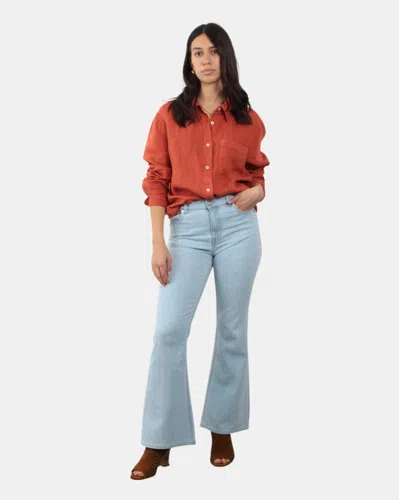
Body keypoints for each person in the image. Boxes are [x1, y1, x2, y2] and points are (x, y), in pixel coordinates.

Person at [131, 22, 270, 480]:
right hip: (186, 228)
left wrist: (259, 191)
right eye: (197, 52)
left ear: (225, 58)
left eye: (213, 51)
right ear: (189, 62)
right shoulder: (169, 115)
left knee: (232, 328)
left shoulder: (247, 118)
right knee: (168, 330)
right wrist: (158, 242)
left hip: (237, 227)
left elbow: (256, 173)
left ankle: (223, 428)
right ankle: (159, 440)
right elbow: (156, 178)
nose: (206, 60)